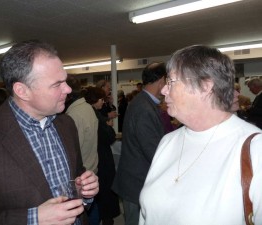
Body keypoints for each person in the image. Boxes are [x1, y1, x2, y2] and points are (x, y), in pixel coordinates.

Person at [0, 40, 99, 225]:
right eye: (57, 84)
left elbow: (75, 177)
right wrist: (33, 219)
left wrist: (84, 189)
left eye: (65, 81)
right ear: (22, 91)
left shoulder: (66, 124)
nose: (68, 89)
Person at [139, 45, 262, 225]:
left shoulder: (254, 149)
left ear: (205, 86)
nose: (164, 90)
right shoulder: (168, 141)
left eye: (171, 82)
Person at [112, 62, 167, 225]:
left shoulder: (144, 102)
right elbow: (153, 150)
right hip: (137, 182)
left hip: (136, 179)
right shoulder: (144, 107)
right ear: (161, 80)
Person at [65, 75, 100, 225]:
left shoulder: (73, 115)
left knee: (87, 214)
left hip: (82, 175)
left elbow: (72, 151)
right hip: (91, 168)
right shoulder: (87, 108)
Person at [85, 87, 120, 225]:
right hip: (101, 156)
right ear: (95, 100)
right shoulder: (95, 115)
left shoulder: (92, 113)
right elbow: (109, 137)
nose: (102, 103)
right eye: (101, 100)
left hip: (96, 154)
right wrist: (109, 125)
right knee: (105, 191)